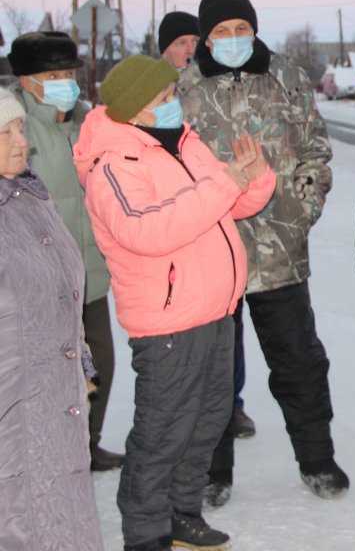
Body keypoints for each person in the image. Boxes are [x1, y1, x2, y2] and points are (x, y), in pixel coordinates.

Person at [73, 56, 275, 551]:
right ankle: (145, 534)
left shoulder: (182, 140)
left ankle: (183, 514)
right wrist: (225, 182)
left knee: (207, 423)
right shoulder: (114, 166)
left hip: (215, 310)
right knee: (162, 434)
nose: (173, 105)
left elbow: (232, 203)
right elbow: (147, 229)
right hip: (167, 323)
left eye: (171, 96)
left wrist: (254, 174)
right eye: (162, 99)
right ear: (134, 110)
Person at [177, 0, 347, 505]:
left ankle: (317, 460)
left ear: (254, 30)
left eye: (241, 30)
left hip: (278, 252)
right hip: (210, 251)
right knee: (211, 371)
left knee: (298, 361)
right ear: (206, 39)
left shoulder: (287, 77)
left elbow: (316, 151)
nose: (232, 39)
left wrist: (302, 212)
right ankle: (213, 471)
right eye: (221, 32)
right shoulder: (181, 88)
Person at [8, 30, 125, 472]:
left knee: (101, 367)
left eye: (68, 73)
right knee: (43, 374)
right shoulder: (14, 126)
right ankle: (45, 457)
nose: (63, 82)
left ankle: (86, 447)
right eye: (51, 74)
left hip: (88, 274)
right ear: (26, 79)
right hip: (36, 281)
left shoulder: (89, 120)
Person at [0, 86, 106, 551]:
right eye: (2, 132)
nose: (19, 142)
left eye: (20, 127)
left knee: (61, 511)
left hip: (52, 402)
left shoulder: (30, 195)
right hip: (11, 407)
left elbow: (63, 291)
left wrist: (77, 360)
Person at [159, 11, 257, 442]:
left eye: (193, 41)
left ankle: (230, 405)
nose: (189, 50)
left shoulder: (209, 87)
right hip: (180, 241)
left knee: (228, 332)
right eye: (179, 42)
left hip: (229, 233)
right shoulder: (159, 100)